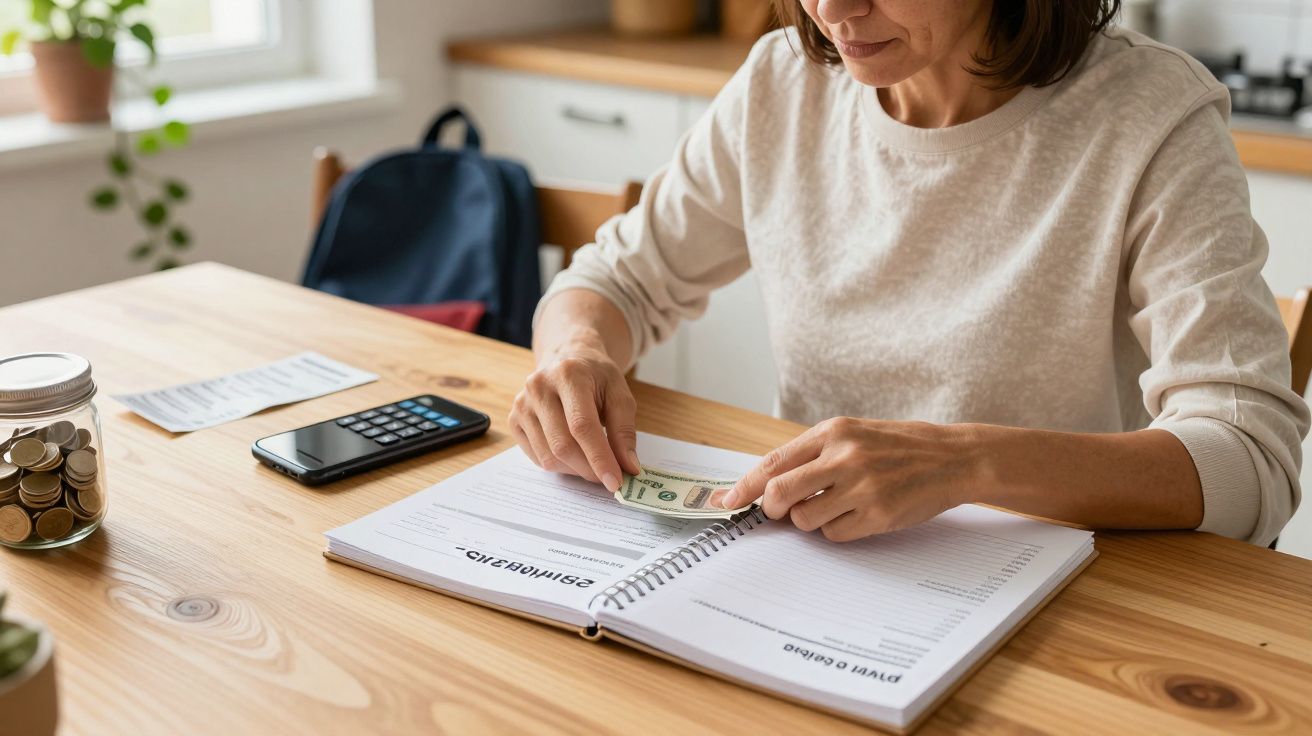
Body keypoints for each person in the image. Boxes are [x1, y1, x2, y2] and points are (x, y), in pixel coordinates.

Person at [509, 0, 1310, 547]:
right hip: (817, 575)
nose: (832, 8)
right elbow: (615, 279)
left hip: (1068, 602)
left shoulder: (1151, 115)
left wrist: (966, 462)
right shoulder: (782, 82)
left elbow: (1250, 459)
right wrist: (575, 355)